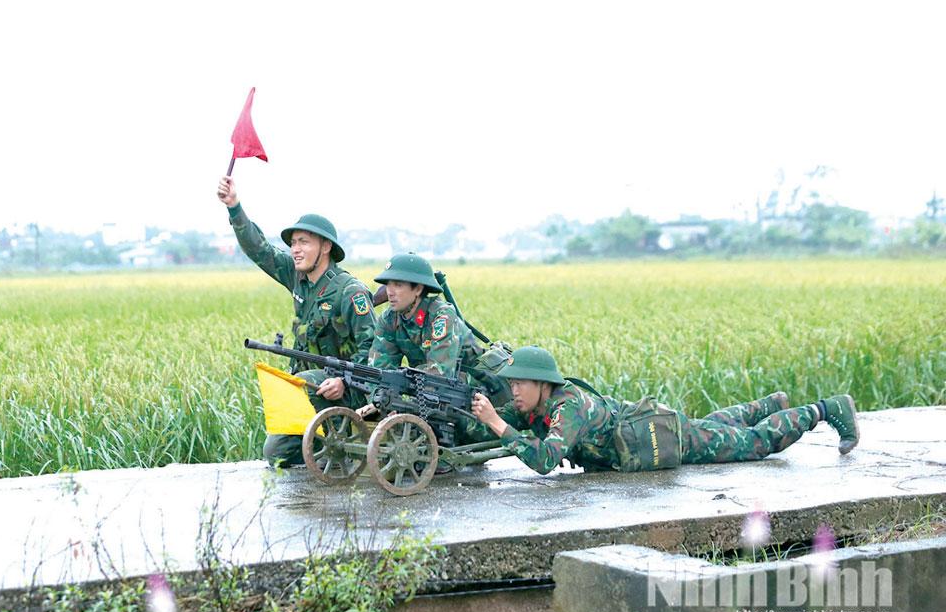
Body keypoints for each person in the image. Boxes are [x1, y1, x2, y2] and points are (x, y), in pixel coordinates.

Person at [470, 345, 860, 476]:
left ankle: (826, 409)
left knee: (753, 444)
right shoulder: (534, 404)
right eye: (511, 383)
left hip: (657, 437)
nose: (513, 390)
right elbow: (483, 428)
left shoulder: (568, 406)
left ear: (543, 383)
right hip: (651, 428)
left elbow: (544, 460)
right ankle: (769, 404)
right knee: (712, 429)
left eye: (520, 383)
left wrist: (496, 422)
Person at [217, 174, 376, 465]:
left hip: (350, 390)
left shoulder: (350, 292)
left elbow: (373, 350)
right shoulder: (297, 276)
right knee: (276, 454)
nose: (295, 249)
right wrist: (234, 206)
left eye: (304, 242)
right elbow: (259, 249)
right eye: (293, 243)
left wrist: (343, 381)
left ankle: (343, 439)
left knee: (300, 387)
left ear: (325, 247)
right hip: (311, 387)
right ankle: (331, 446)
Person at [364, 253, 510, 445]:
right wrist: (378, 401)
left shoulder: (441, 316)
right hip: (430, 387)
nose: (389, 292)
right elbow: (379, 370)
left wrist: (401, 403)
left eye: (398, 285)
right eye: (388, 284)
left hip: (472, 388)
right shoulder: (389, 319)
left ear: (418, 289)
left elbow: (439, 373)